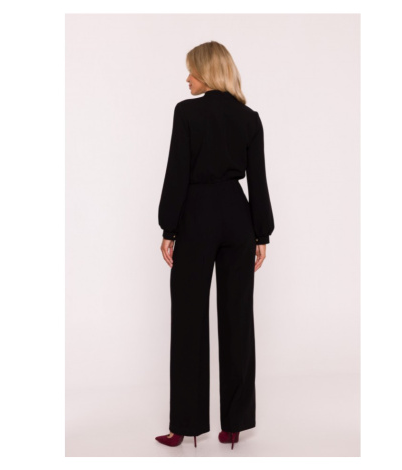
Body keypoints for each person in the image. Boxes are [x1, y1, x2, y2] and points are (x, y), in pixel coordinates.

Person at [155, 41, 275, 450]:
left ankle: (185, 426)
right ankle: (234, 425)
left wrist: (169, 228)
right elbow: (257, 179)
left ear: (207, 72)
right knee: (238, 319)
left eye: (192, 70)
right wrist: (262, 233)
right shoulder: (249, 118)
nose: (187, 78)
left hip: (197, 219)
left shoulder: (187, 112)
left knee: (188, 320)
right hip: (238, 219)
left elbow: (177, 172)